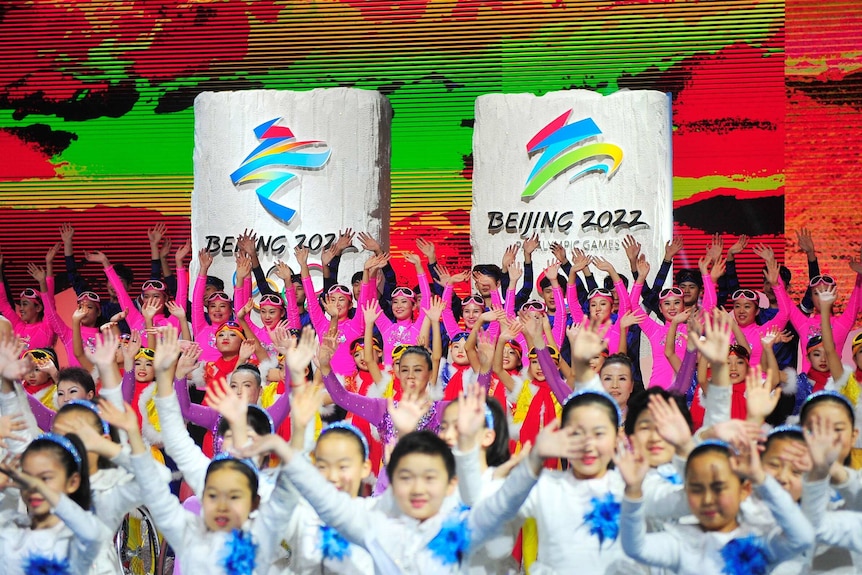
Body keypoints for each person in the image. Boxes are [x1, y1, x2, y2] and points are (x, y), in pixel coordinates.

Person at [101, 398, 296, 575]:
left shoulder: (271, 493)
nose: (239, 443)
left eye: (248, 437)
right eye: (231, 436)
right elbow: (177, 441)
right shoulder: (198, 495)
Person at [618, 439, 814, 575]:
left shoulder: (759, 541)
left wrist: (763, 481)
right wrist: (633, 491)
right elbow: (636, 547)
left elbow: (802, 537)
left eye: (719, 488)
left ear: (744, 490)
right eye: (696, 489)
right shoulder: (680, 542)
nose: (708, 499)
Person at [0, 432, 110, 575]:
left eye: (44, 479)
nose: (33, 487)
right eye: (26, 478)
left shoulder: (78, 536)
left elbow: (94, 535)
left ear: (73, 482)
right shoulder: (9, 529)